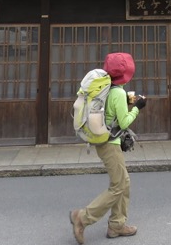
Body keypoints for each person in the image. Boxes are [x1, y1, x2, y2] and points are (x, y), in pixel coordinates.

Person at [70, 52, 147, 243]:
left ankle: (117, 225)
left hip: (103, 142)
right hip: (111, 145)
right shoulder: (118, 93)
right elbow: (124, 121)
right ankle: (83, 217)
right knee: (118, 186)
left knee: (124, 182)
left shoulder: (106, 88)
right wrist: (138, 107)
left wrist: (128, 102)